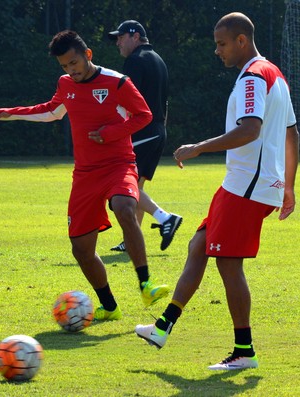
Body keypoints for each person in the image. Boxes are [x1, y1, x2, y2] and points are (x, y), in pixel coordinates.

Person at [135, 12, 299, 370]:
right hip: (244, 185)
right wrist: (288, 186)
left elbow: (250, 130)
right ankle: (162, 328)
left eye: (222, 44)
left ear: (242, 40)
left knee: (228, 263)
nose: (217, 51)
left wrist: (198, 147)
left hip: (246, 187)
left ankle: (244, 351)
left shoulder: (254, 77)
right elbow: (292, 134)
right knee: (198, 245)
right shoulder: (276, 76)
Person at [0, 30, 170, 321]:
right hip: (85, 175)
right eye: (64, 66)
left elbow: (144, 115)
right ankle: (109, 306)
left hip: (119, 164)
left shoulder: (118, 82)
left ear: (88, 55)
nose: (71, 70)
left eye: (74, 63)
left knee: (124, 206)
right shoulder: (66, 84)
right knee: (81, 250)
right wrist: (11, 113)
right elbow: (52, 111)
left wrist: (111, 133)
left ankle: (146, 284)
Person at [108, 20, 182, 252]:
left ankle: (165, 218)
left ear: (135, 36)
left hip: (142, 131)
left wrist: (114, 130)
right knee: (136, 185)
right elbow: (164, 102)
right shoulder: (158, 59)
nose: (118, 42)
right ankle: (132, 241)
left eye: (120, 37)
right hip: (158, 131)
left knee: (121, 185)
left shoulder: (135, 61)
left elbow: (128, 100)